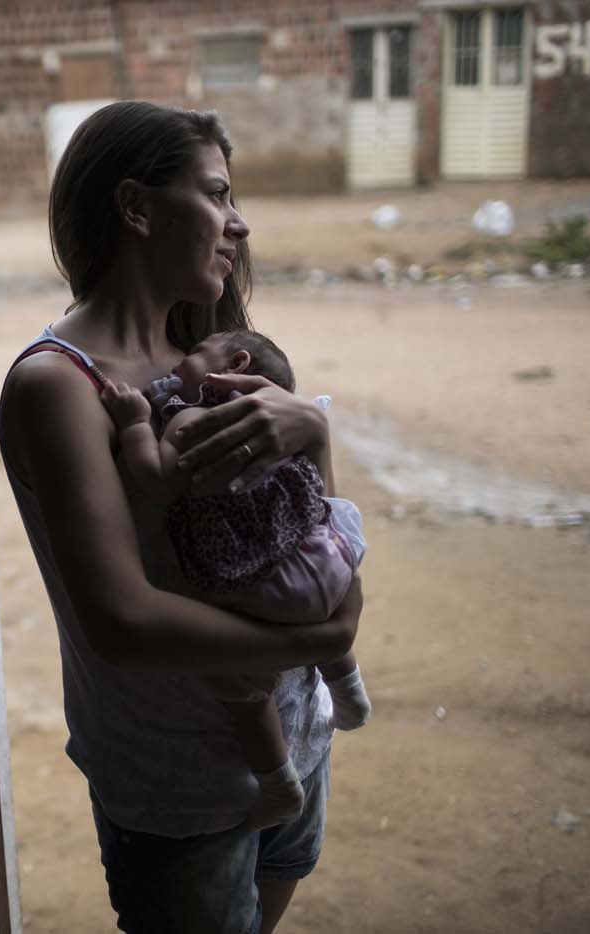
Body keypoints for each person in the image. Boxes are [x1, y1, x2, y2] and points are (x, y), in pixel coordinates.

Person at [0, 100, 362, 934]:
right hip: (180, 788)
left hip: (293, 742)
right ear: (136, 207)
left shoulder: (209, 356)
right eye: (217, 194)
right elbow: (122, 620)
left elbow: (302, 525)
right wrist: (313, 640)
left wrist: (315, 435)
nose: (239, 225)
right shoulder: (61, 386)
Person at [101, 326, 372, 832]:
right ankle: (350, 689)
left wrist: (136, 422)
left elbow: (155, 478)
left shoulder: (194, 416)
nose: (176, 367)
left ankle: (276, 783)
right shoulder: (274, 417)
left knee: (238, 682)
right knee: (315, 601)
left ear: (237, 364)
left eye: (194, 355)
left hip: (262, 588)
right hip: (323, 565)